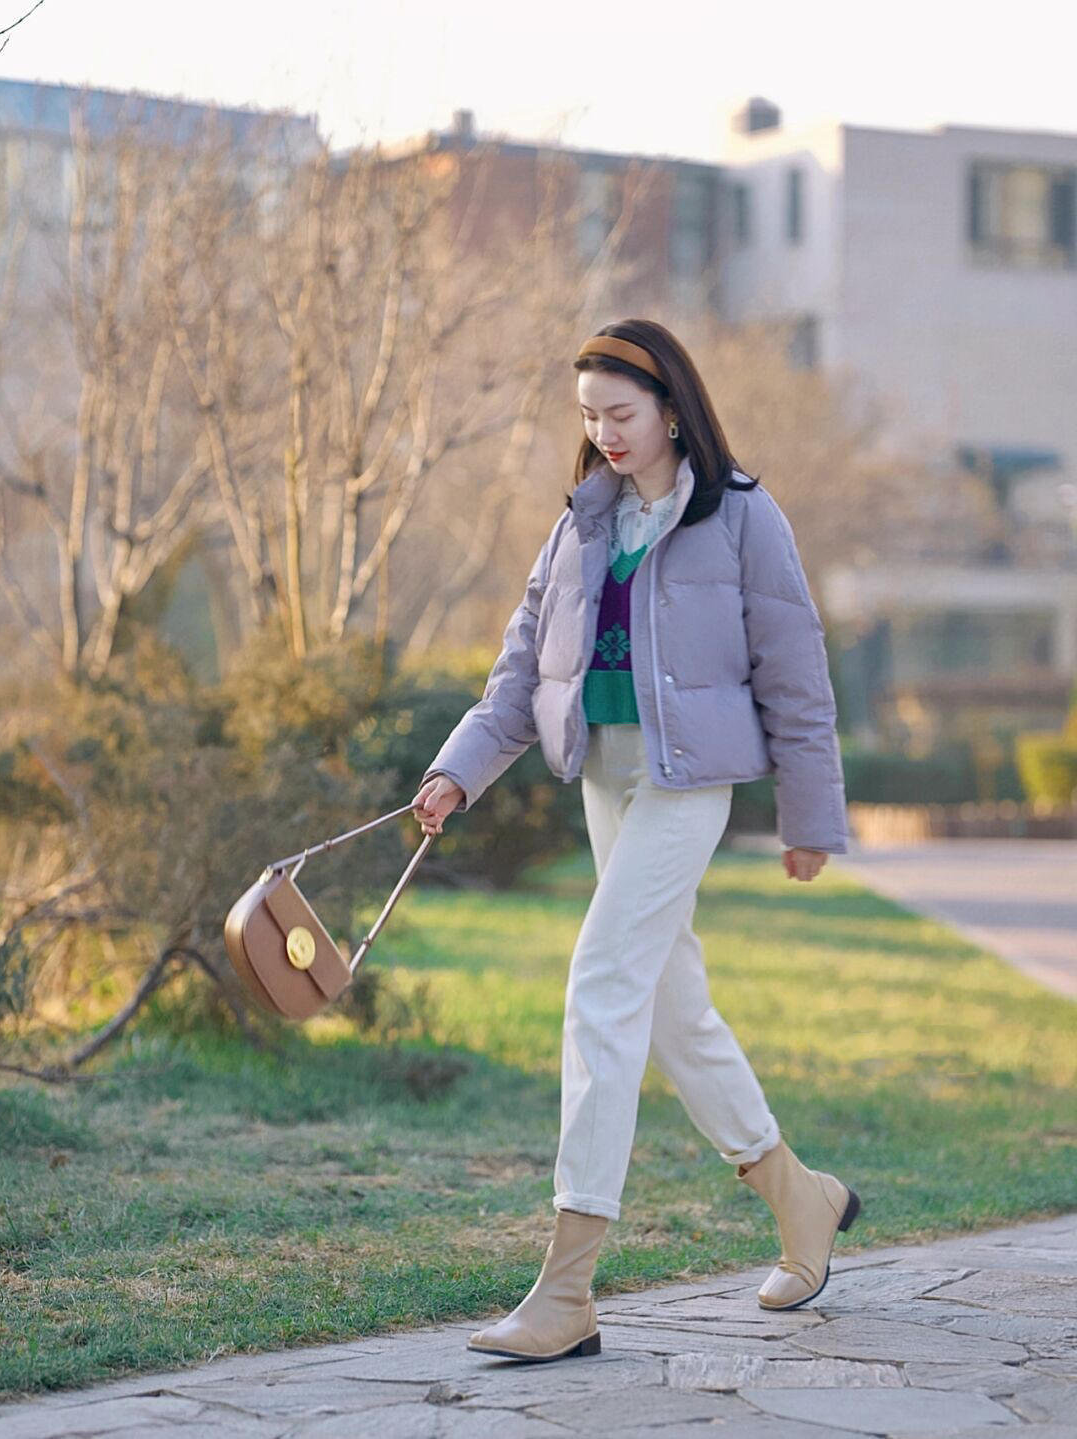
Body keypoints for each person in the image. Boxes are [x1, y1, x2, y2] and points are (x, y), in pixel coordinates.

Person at [410, 318, 861, 1364]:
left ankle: (568, 1286)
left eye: (620, 413)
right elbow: (522, 672)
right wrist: (456, 769)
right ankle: (803, 1200)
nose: (604, 434)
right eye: (588, 417)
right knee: (670, 1004)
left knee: (602, 982)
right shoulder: (580, 522)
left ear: (670, 407)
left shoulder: (743, 517)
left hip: (688, 781)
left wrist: (810, 818)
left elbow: (796, 673)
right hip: (604, 774)